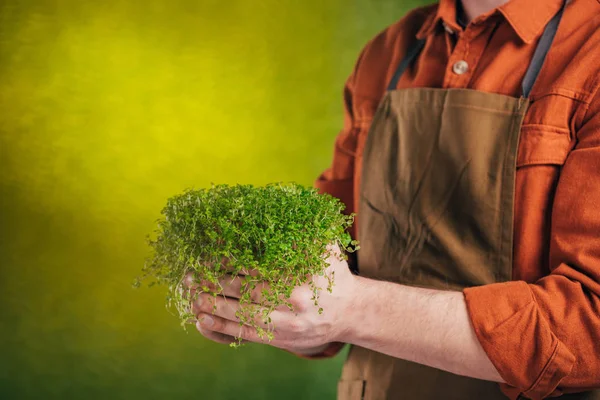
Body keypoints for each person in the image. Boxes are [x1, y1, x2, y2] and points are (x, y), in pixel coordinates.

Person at [184, 0, 600, 398]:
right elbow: (334, 272)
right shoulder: (388, 51)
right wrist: (267, 309)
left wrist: (351, 311)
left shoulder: (590, 50)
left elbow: (590, 325)